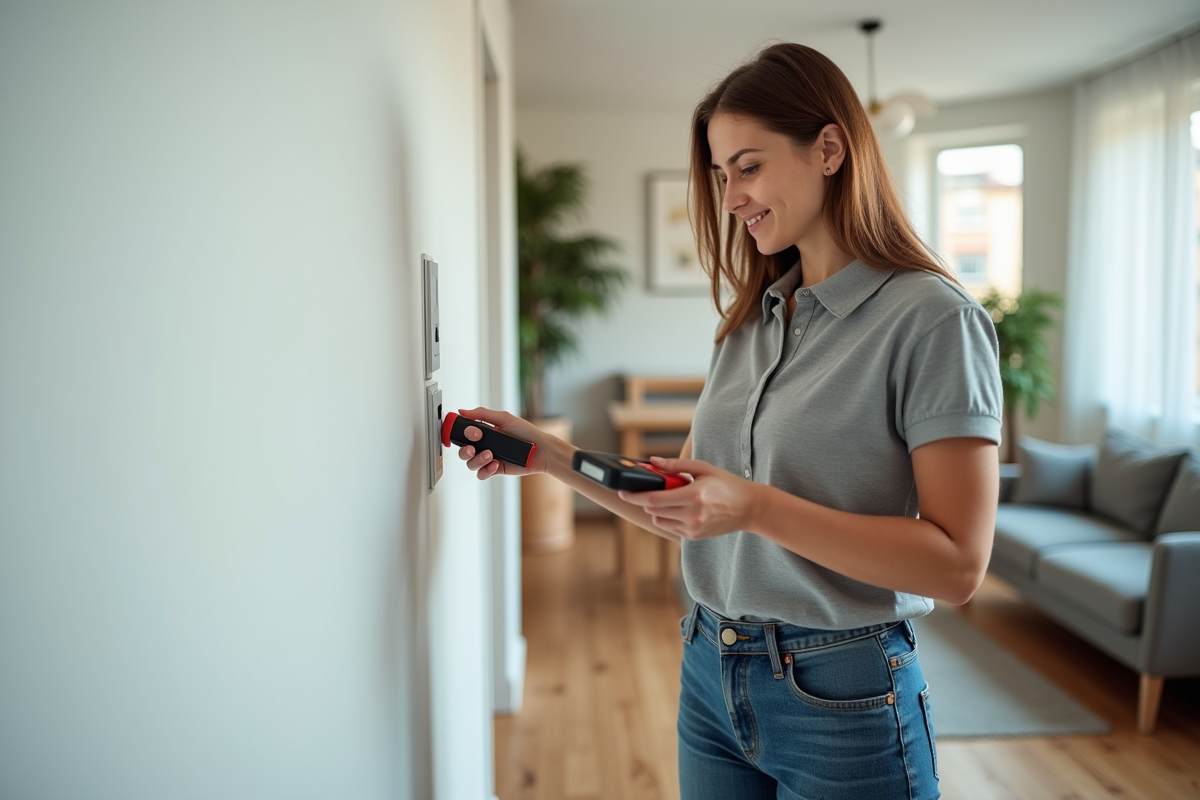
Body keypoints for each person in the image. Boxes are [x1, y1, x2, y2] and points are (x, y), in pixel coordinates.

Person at [454, 42, 1001, 800]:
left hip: (845, 693)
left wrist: (754, 506)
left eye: (748, 166)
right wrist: (549, 454)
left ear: (830, 149)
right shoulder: (748, 324)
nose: (732, 195)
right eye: (721, 175)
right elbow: (681, 507)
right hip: (712, 670)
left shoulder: (933, 320)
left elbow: (958, 565)